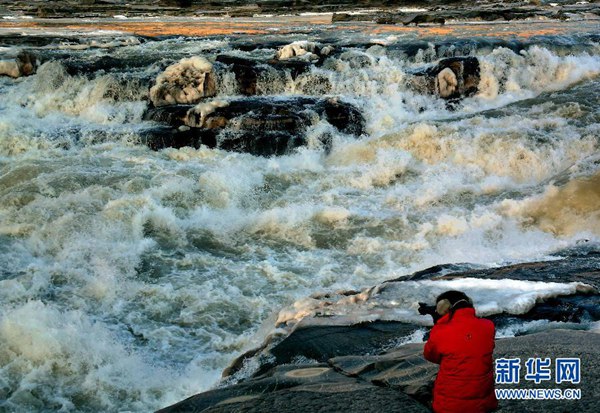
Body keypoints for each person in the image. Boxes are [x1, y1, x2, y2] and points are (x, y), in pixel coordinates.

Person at [422, 290, 498, 413]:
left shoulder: (440, 331)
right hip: (484, 404)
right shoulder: (488, 326)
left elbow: (430, 356)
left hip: (448, 407)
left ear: (444, 308)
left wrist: (439, 323)